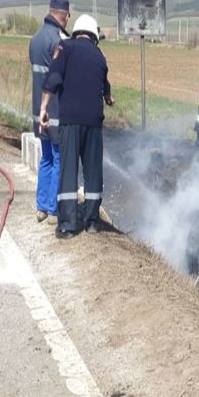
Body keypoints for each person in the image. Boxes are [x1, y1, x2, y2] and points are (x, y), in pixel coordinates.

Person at [39, 14, 114, 239]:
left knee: (69, 171)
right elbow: (106, 85)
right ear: (93, 35)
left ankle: (68, 226)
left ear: (77, 32)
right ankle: (92, 222)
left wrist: (43, 109)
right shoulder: (99, 55)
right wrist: (109, 99)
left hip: (71, 121)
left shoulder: (65, 47)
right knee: (93, 172)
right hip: (94, 122)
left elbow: (53, 79)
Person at [28, 0, 71, 223]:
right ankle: (54, 210)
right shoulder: (59, 40)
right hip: (54, 110)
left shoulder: (35, 38)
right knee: (58, 158)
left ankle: (41, 207)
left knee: (45, 158)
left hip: (38, 109)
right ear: (64, 16)